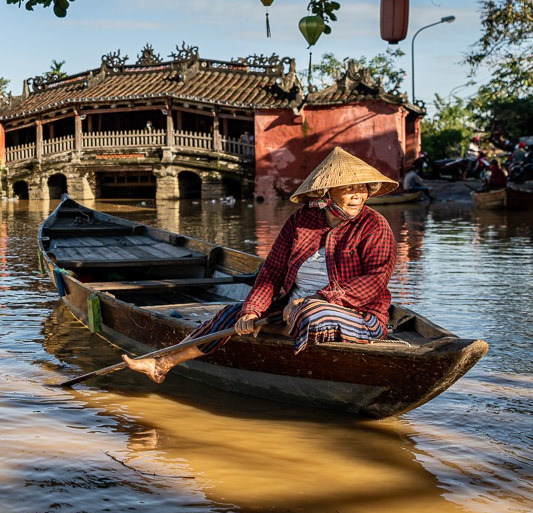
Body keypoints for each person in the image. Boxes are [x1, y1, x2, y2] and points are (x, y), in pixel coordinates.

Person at [122, 147, 399, 383]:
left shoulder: (374, 226)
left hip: (358, 315)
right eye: (349, 188)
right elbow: (272, 272)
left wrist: (313, 300)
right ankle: (163, 362)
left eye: (362, 188)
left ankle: (272, 328)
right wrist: (253, 311)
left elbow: (375, 281)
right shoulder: (302, 220)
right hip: (291, 309)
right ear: (327, 191)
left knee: (313, 314)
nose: (357, 195)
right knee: (234, 314)